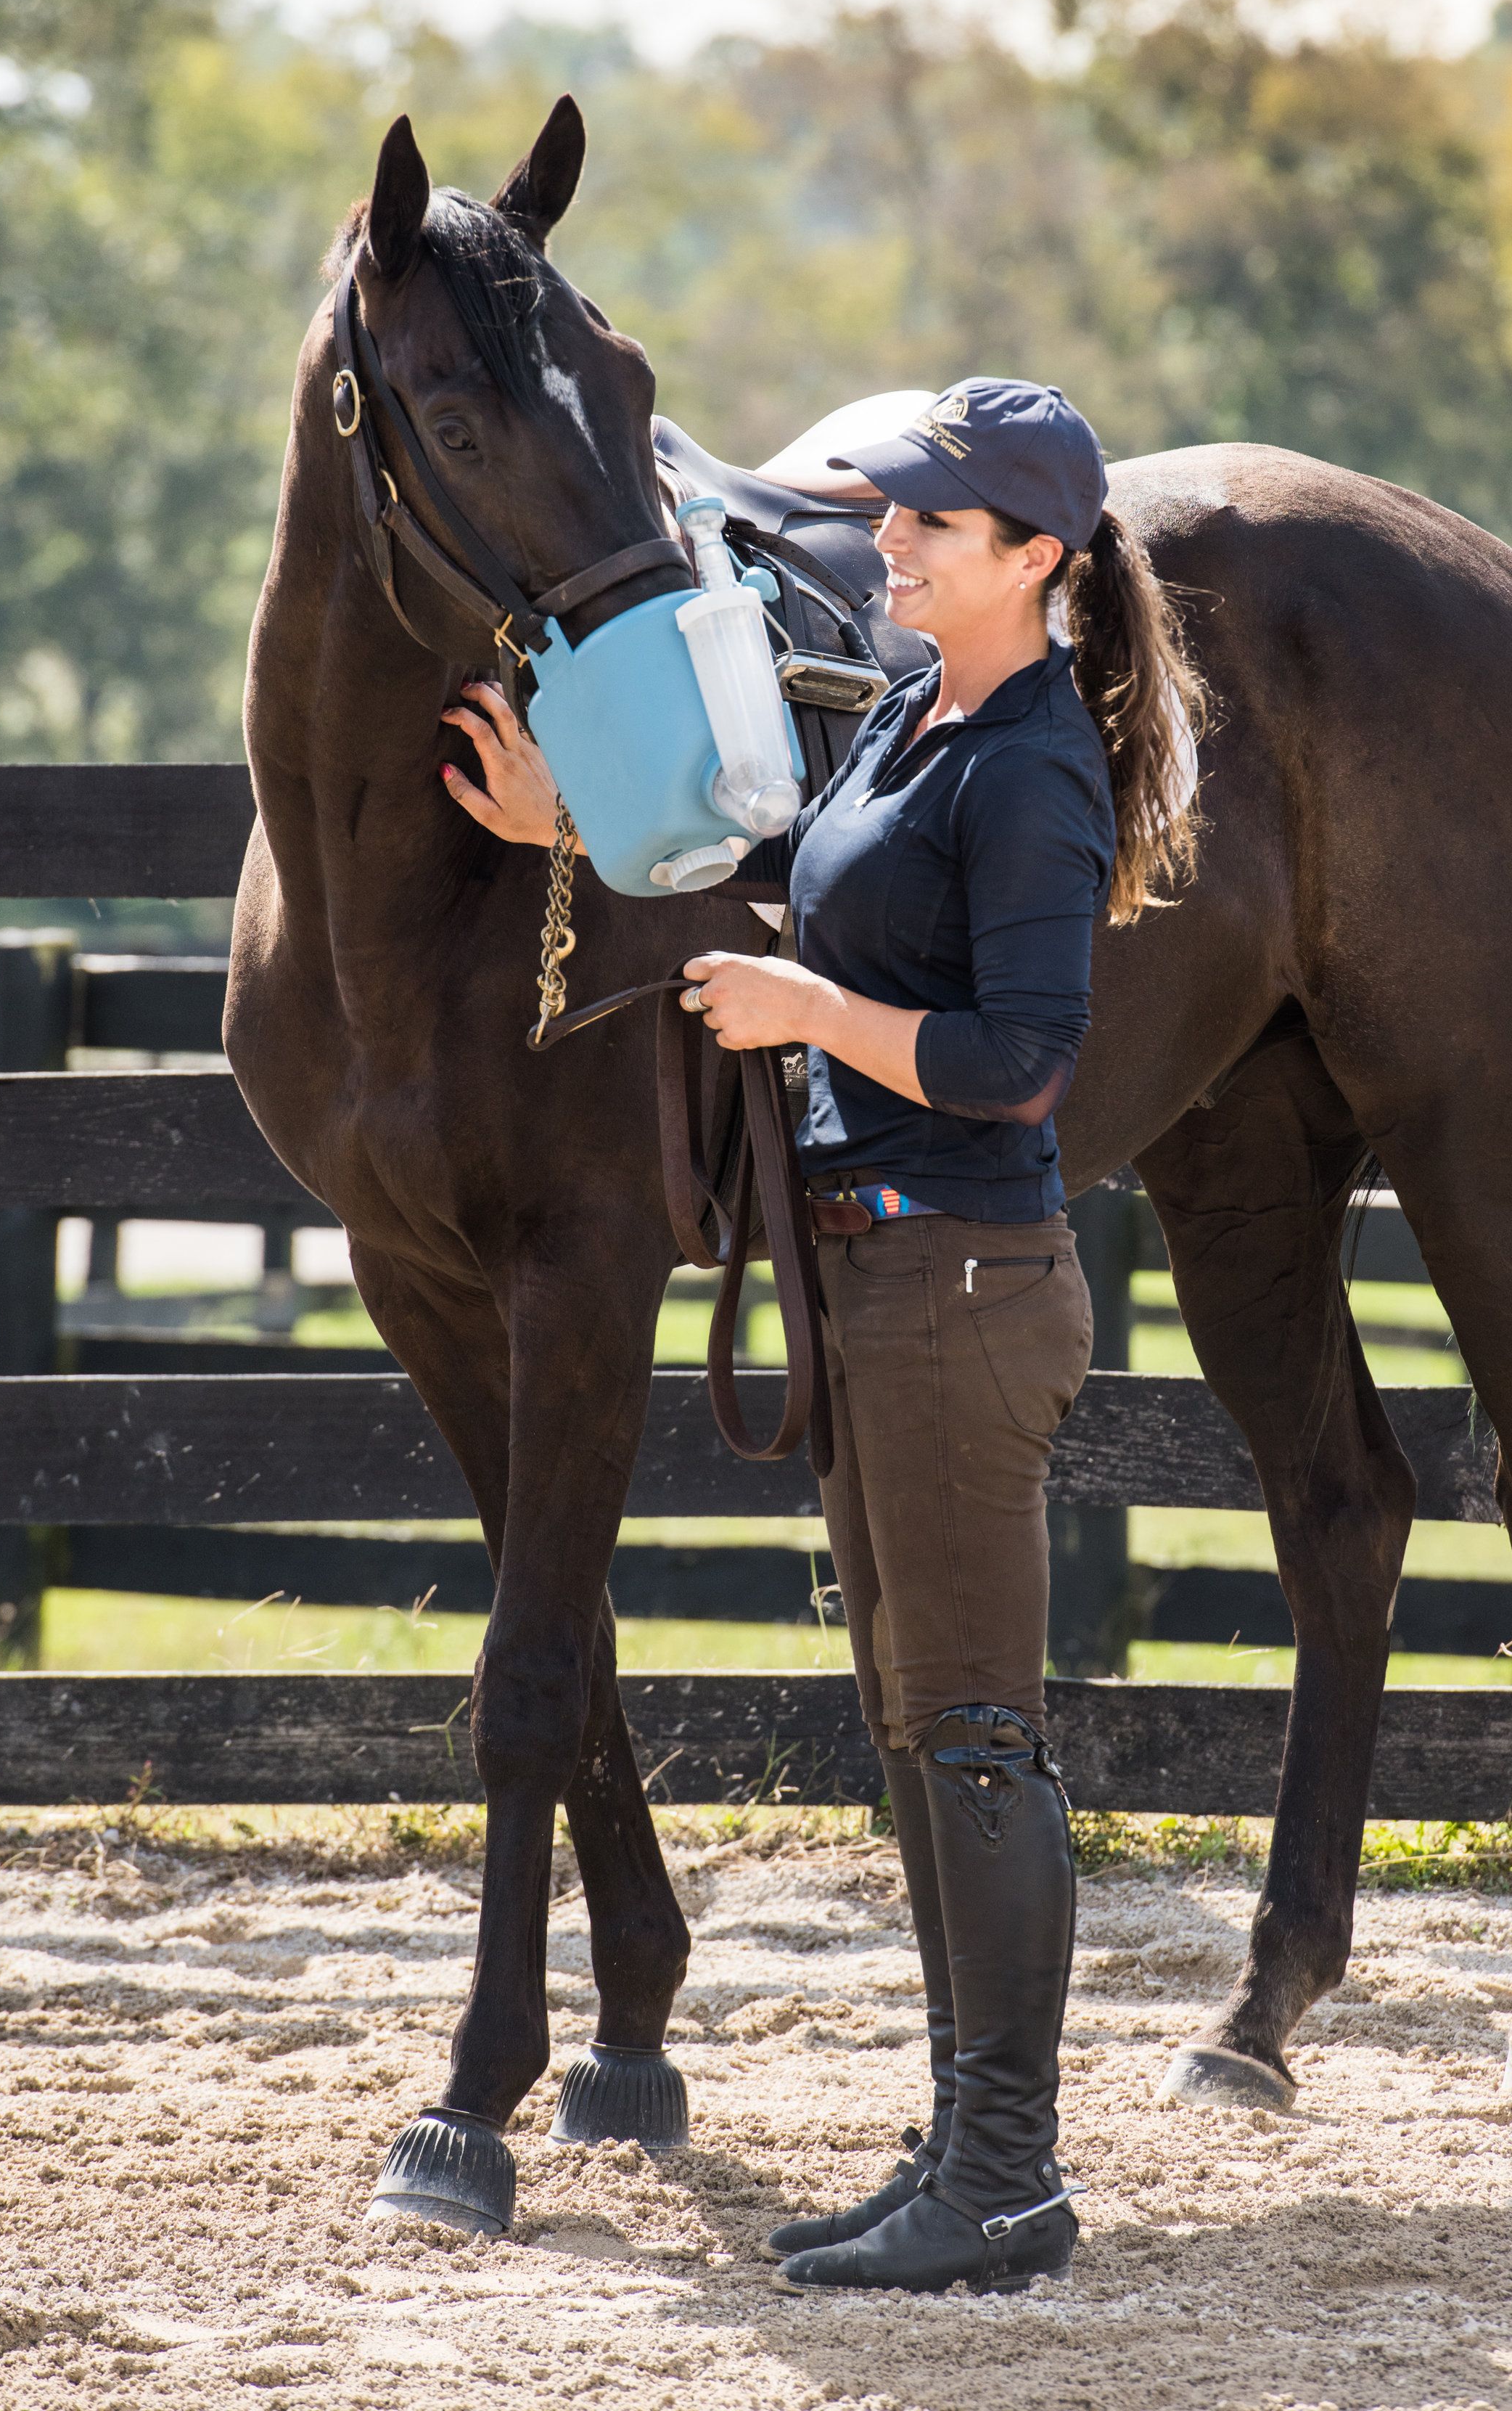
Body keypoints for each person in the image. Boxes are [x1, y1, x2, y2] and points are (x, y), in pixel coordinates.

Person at [442, 379, 1203, 2294]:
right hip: (877, 1279)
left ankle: (1008, 2174)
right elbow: (806, 904)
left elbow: (1022, 1060)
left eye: (932, 523)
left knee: (974, 1730)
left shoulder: (1029, 765)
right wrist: (577, 827)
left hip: (964, 1284)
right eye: (896, 512)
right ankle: (960, 2144)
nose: (890, 541)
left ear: (1035, 559)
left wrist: (813, 1019)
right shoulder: (915, 719)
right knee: (916, 1719)